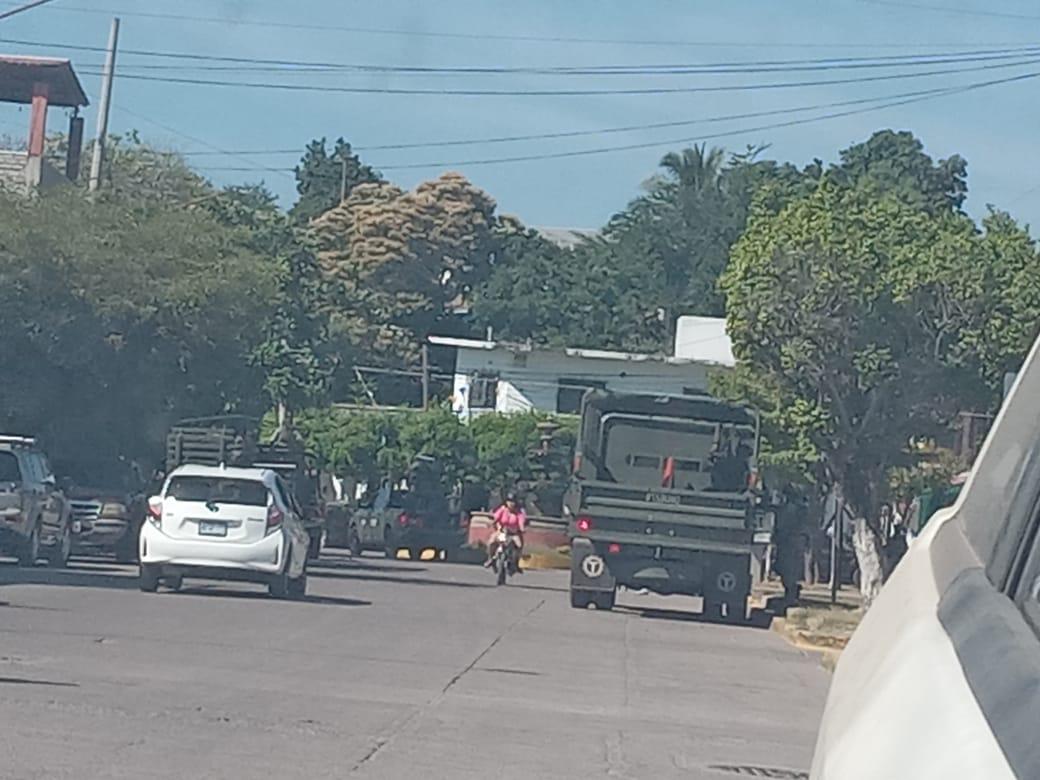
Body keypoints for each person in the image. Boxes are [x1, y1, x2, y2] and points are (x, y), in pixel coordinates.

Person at [485, 491, 527, 572]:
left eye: (513, 502)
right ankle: (490, 559)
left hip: (513, 534)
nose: (511, 504)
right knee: (491, 542)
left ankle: (516, 562)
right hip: (502, 532)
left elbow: (521, 522)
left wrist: (522, 528)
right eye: (509, 501)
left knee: (519, 545)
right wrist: (492, 523)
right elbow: (496, 518)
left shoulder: (519, 512)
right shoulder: (502, 510)